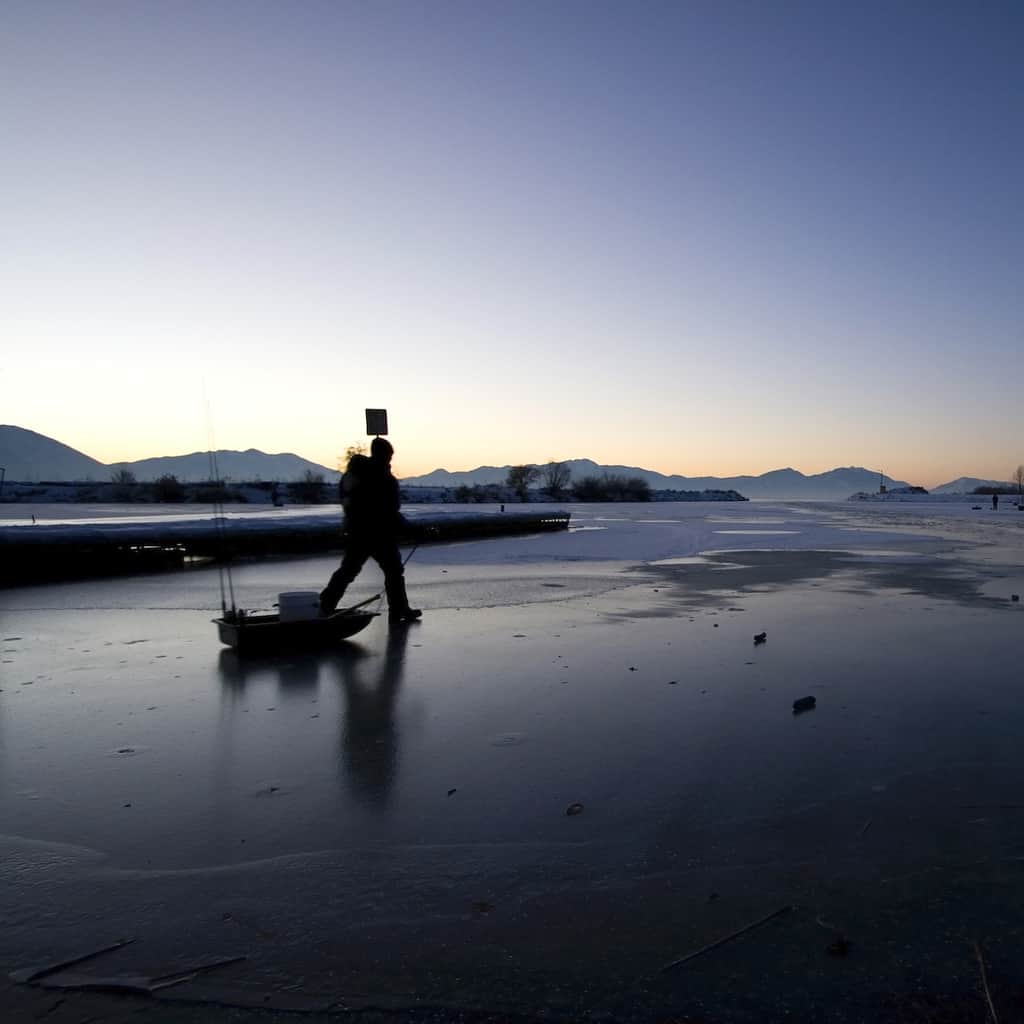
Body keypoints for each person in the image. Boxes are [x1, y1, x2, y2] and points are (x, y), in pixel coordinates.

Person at [319, 437, 422, 625]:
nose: (390, 460)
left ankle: (324, 606)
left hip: (357, 531)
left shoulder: (355, 475)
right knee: (392, 571)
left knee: (349, 570)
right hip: (378, 534)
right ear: (382, 455)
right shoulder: (382, 478)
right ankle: (399, 610)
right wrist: (411, 530)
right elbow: (389, 511)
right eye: (389, 456)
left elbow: (354, 504)